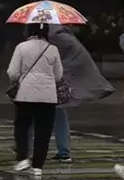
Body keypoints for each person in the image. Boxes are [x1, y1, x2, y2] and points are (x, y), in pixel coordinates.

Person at [48, 25, 113, 163]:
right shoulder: (65, 37)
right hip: (58, 80)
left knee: (34, 114)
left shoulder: (56, 38)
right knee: (58, 113)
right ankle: (64, 152)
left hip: (51, 81)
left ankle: (26, 150)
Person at [7, 24, 63, 177]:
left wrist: (20, 78)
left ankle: (23, 157)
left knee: (22, 127)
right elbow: (58, 75)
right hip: (47, 96)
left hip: (25, 94)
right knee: (43, 131)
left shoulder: (21, 47)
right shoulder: (53, 49)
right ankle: (38, 166)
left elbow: (12, 72)